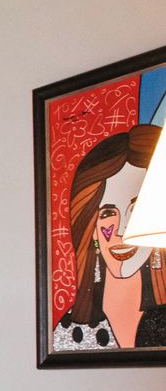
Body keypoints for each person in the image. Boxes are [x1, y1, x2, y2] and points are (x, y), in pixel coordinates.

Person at [52, 125, 166, 352]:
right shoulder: (69, 331)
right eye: (107, 213)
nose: (122, 230)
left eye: (135, 209)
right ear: (91, 227)